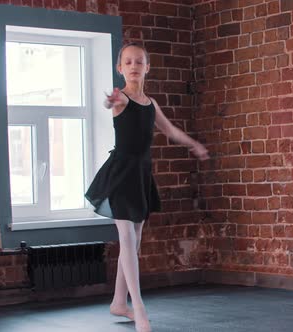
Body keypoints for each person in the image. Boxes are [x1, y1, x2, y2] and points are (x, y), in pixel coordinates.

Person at [85, 43, 209, 332]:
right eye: (127, 62)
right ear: (120, 69)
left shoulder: (151, 104)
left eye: (139, 61)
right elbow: (109, 104)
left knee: (134, 243)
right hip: (120, 174)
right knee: (127, 239)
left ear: (147, 67)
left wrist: (194, 145)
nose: (133, 66)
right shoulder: (122, 100)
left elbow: (170, 131)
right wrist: (109, 101)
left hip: (141, 174)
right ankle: (139, 307)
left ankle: (119, 301)